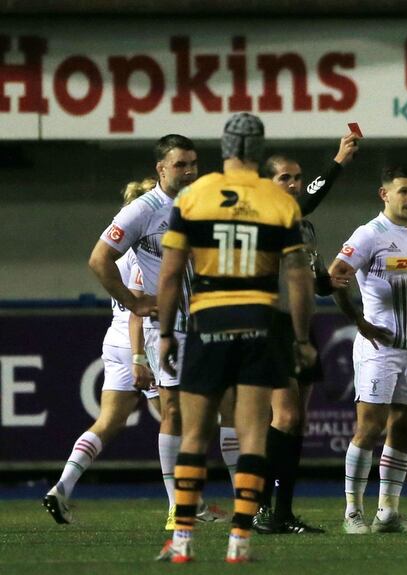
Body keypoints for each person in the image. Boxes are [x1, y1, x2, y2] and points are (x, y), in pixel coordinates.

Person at [155, 112, 315, 563]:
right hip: (260, 324)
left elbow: (170, 275)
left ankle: (182, 541)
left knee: (194, 435)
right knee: (252, 437)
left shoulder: (194, 196)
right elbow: (299, 278)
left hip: (208, 322)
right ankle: (239, 541)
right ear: (259, 151)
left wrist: (166, 334)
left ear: (224, 149)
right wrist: (301, 339)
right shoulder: (278, 201)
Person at [87, 135, 206, 529]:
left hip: (208, 322)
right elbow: (100, 259)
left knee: (218, 413)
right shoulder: (143, 210)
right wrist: (134, 303)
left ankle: (246, 506)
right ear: (161, 168)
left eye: (193, 163)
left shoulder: (202, 203)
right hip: (168, 328)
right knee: (172, 411)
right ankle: (178, 507)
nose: (189, 172)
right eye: (180, 165)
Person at [252, 132, 361, 535]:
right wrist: (338, 162)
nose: (294, 184)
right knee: (285, 416)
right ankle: (265, 509)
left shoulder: (303, 228)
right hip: (271, 327)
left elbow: (309, 280)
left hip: (299, 328)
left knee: (294, 423)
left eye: (297, 177)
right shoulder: (267, 214)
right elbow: (304, 202)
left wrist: (326, 282)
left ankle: (279, 511)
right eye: (285, 178)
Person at [328, 164, 407, 534]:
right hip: (380, 347)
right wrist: (360, 322)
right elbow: (335, 277)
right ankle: (352, 513)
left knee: (404, 427)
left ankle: (388, 513)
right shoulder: (369, 234)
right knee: (370, 427)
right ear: (385, 194)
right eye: (403, 191)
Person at [43, 179, 161, 524]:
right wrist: (142, 355)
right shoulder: (146, 245)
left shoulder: (115, 242)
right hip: (144, 338)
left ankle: (63, 485)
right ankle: (184, 506)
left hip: (115, 338)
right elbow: (142, 299)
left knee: (109, 421)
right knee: (176, 421)